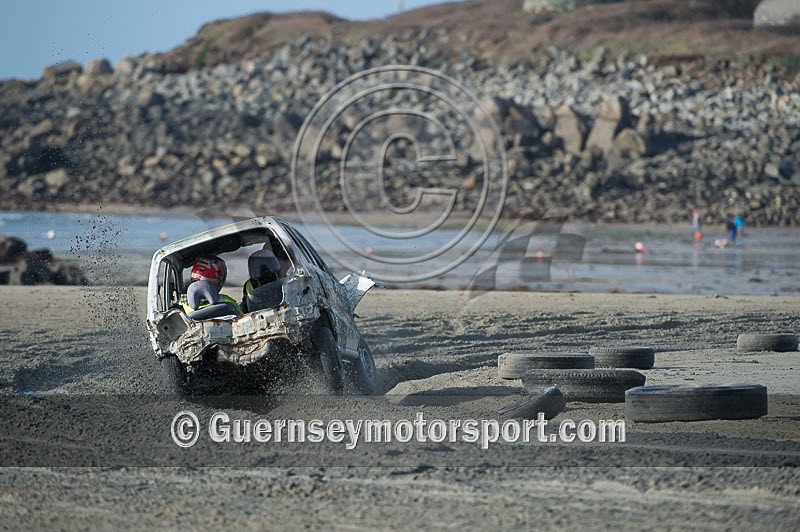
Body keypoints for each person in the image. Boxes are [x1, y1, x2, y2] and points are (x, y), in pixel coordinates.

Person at [241, 247, 283, 313]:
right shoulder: (249, 285)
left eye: (268, 263)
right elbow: (246, 308)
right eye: (257, 266)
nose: (265, 270)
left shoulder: (283, 277)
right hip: (258, 315)